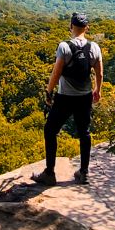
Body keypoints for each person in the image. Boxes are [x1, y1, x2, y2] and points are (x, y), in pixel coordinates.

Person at [31, 11, 102, 187]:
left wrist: (48, 92)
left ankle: (49, 173)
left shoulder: (64, 46)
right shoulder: (94, 47)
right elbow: (99, 73)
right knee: (84, 133)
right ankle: (84, 173)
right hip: (84, 98)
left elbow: (56, 73)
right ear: (87, 28)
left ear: (71, 26)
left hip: (64, 98)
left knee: (50, 130)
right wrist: (97, 90)